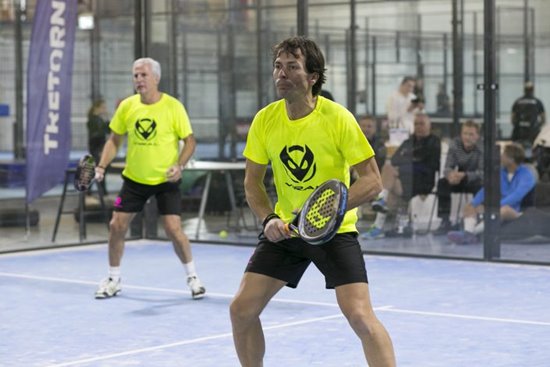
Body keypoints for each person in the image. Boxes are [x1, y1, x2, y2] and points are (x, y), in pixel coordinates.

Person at [230, 36, 396, 367]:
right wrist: (268, 220)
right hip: (286, 232)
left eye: (293, 67)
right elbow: (252, 183)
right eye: (278, 66)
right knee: (241, 310)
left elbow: (373, 181)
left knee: (361, 317)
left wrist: (330, 211)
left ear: (313, 76)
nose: (282, 73)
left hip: (334, 234)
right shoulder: (265, 120)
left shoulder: (338, 119)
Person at [93, 57, 205, 299]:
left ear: (156, 78)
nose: (139, 80)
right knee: (116, 226)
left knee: (173, 229)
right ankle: (113, 279)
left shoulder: (173, 106)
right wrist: (102, 165)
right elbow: (114, 140)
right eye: (135, 75)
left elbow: (190, 141)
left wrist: (180, 165)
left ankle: (193, 277)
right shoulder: (127, 106)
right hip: (134, 181)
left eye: (143, 75)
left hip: (167, 181)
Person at [363, 113, 441, 239]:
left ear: (429, 126)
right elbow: (395, 160)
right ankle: (381, 204)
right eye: (416, 124)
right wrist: (411, 163)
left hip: (422, 182)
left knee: (389, 176)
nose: (418, 127)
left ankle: (378, 224)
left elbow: (430, 166)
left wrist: (407, 165)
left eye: (422, 124)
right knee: (388, 171)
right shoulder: (409, 141)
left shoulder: (434, 142)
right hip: (403, 180)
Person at [447, 143, 536, 245]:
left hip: (519, 211)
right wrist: (474, 203)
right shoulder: (500, 172)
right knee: (470, 206)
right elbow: (487, 188)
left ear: (511, 159)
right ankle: (468, 234)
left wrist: (494, 206)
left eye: (504, 155)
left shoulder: (527, 174)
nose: (501, 157)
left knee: (504, 210)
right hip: (499, 206)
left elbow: (517, 195)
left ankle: (470, 234)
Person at [435, 120, 483, 233]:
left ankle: (478, 219)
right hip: (458, 178)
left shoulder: (482, 147)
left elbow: (483, 172)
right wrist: (450, 175)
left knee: (481, 186)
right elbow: (447, 167)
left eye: (471, 134)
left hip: (475, 179)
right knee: (442, 183)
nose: (467, 137)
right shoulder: (455, 144)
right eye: (465, 134)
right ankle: (445, 221)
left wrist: (465, 175)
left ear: (477, 136)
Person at [511, 81, 545, 154]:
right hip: (533, 132)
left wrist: (517, 126)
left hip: (519, 132)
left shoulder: (518, 102)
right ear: (533, 90)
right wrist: (537, 126)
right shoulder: (537, 102)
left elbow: (512, 118)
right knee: (533, 151)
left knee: (518, 150)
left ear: (524, 90)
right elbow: (543, 118)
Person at [87, 99, 110, 194]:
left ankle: (102, 191)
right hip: (96, 148)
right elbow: (96, 134)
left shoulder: (100, 119)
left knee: (100, 169)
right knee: (98, 169)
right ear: (97, 108)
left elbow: (108, 131)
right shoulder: (92, 119)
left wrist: (107, 121)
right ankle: (98, 191)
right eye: (103, 107)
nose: (105, 109)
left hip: (100, 147)